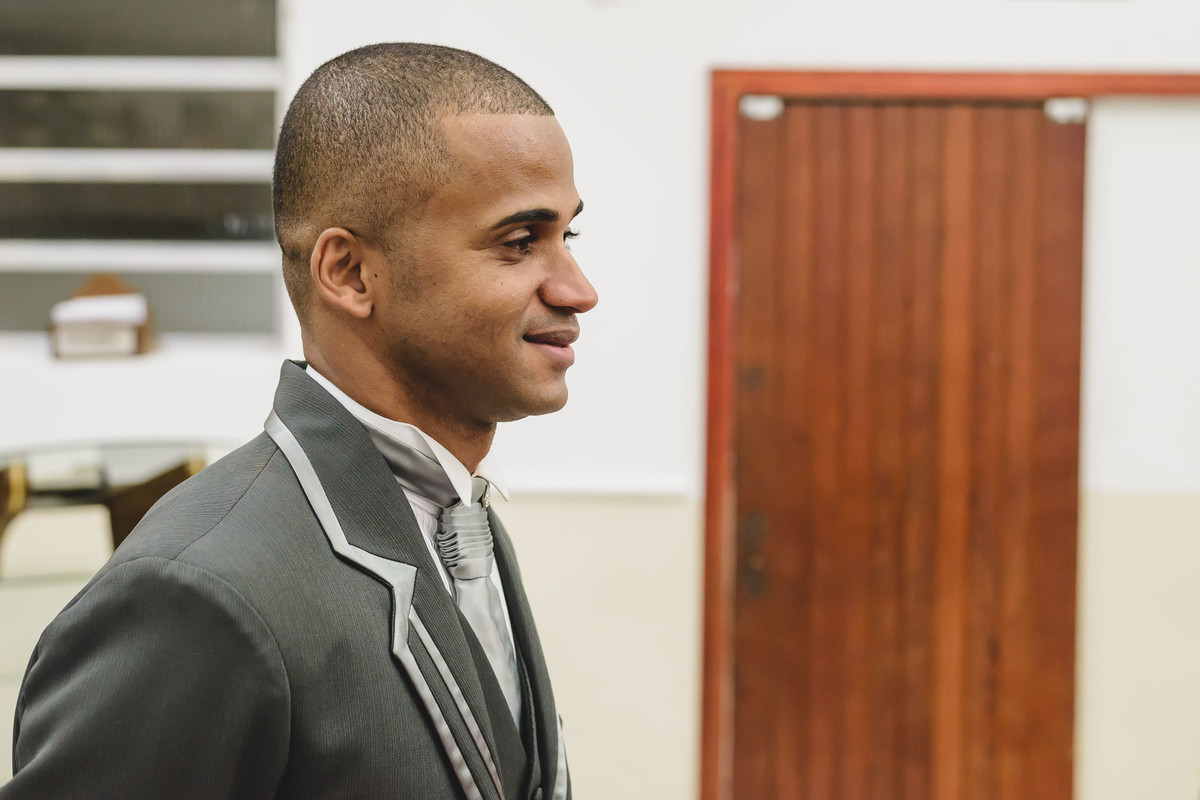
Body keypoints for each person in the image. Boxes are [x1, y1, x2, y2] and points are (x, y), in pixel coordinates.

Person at [4, 43, 596, 800]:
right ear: (349, 273)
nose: (579, 290)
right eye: (520, 243)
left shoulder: (461, 526)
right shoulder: (197, 592)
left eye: (567, 237)